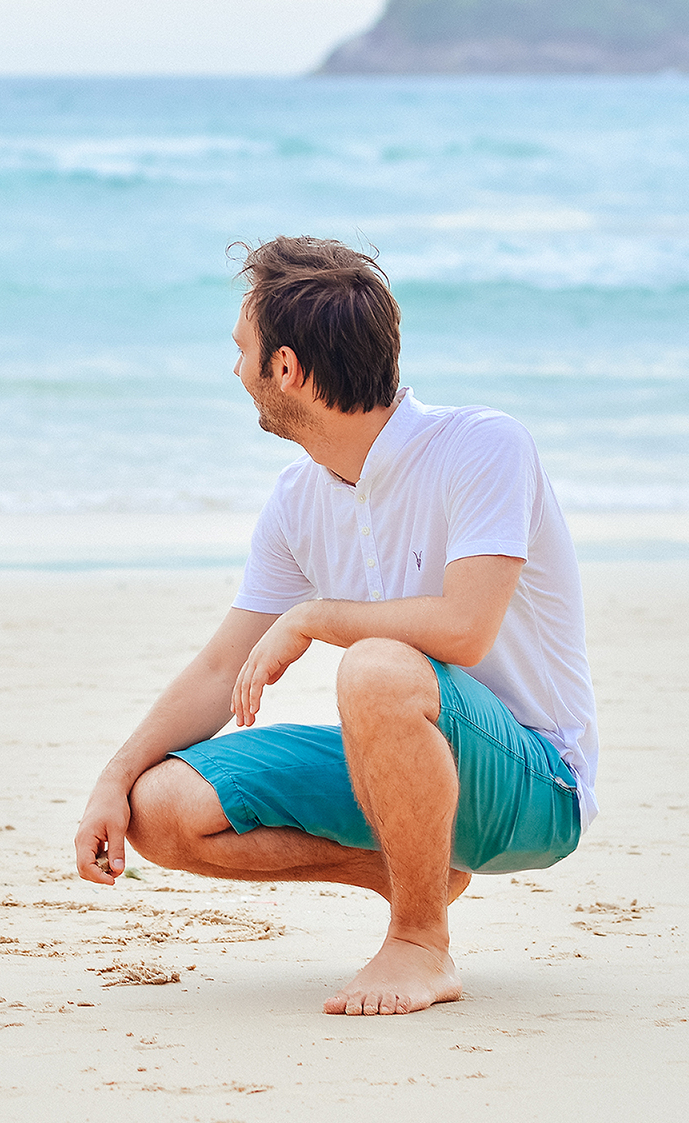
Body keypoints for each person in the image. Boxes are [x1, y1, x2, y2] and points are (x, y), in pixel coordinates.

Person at [73, 238, 596, 1017]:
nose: (237, 372)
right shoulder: (297, 499)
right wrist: (111, 781)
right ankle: (411, 869)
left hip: (531, 783)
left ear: (283, 369)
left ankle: (420, 941)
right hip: (397, 766)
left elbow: (465, 629)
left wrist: (315, 617)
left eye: (242, 350)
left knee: (377, 665)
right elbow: (225, 668)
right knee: (163, 807)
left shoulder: (482, 445)